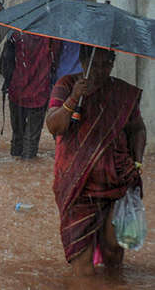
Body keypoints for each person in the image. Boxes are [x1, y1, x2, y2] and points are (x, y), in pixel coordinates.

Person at [46, 45, 146, 276]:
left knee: (113, 252)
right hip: (77, 186)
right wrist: (73, 99)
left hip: (117, 183)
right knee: (83, 269)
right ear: (83, 60)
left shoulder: (122, 92)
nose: (100, 71)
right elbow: (54, 126)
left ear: (113, 63)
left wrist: (137, 162)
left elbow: (138, 129)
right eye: (95, 64)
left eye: (106, 64)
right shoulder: (66, 85)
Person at [0, 32, 58, 159]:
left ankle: (15, 169)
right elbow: (56, 62)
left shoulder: (14, 35)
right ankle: (27, 168)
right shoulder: (51, 38)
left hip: (17, 92)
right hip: (39, 94)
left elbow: (4, 65)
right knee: (31, 138)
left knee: (17, 136)